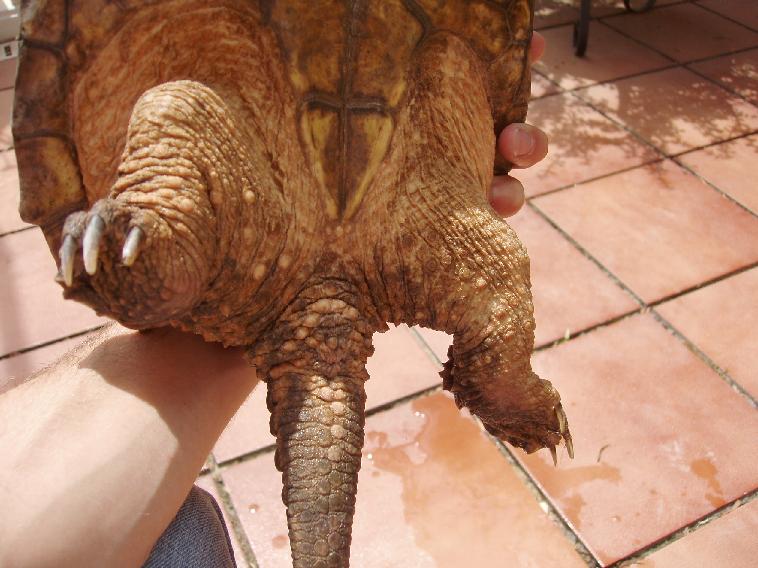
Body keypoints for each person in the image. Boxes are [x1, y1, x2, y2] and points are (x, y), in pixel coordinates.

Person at [0, 33, 549, 567]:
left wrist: (263, 277)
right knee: (175, 110)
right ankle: (501, 380)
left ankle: (165, 244)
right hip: (369, 90)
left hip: (406, 104)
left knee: (176, 109)